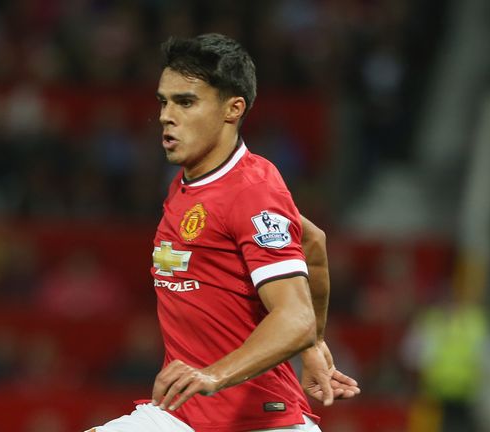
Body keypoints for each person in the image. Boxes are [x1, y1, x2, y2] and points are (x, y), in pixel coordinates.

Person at [86, 33, 359, 432]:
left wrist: (215, 374)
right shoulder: (189, 183)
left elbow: (295, 316)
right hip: (183, 416)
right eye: (164, 101)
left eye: (186, 102)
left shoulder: (252, 189)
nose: (166, 115)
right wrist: (315, 344)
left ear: (233, 109)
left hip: (261, 422)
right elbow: (312, 240)